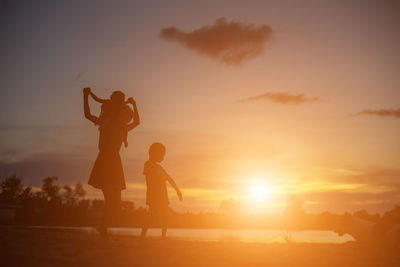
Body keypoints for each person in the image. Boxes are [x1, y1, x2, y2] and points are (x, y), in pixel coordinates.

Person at [83, 87, 140, 239]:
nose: (126, 115)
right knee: (110, 199)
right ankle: (102, 229)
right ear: (117, 110)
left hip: (115, 162)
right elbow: (88, 115)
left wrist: (134, 104)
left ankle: (101, 226)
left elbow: (137, 121)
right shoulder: (106, 123)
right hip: (105, 161)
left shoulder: (123, 127)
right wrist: (86, 96)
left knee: (116, 203)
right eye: (124, 112)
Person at [141, 142, 183, 239]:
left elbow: (169, 179)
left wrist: (177, 190)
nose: (162, 158)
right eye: (161, 155)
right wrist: (154, 192)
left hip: (162, 195)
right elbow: (150, 179)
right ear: (154, 153)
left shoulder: (159, 167)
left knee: (164, 215)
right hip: (154, 195)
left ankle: (163, 236)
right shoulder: (148, 164)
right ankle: (144, 235)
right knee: (151, 215)